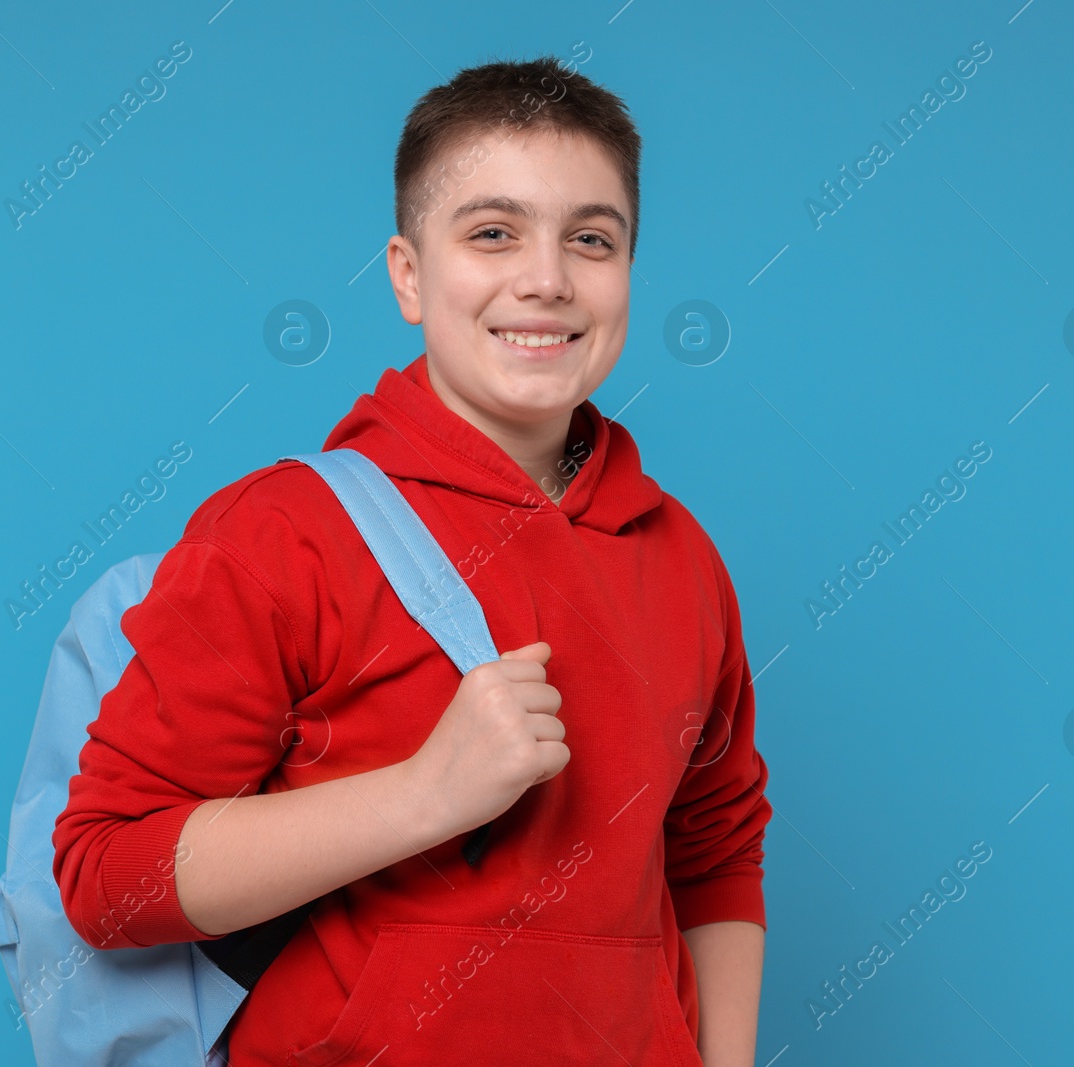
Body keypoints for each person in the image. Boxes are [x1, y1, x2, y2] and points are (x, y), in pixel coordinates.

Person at [52, 53, 770, 1066]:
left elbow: (715, 851)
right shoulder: (281, 532)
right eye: (491, 232)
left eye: (592, 240)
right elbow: (104, 876)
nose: (545, 278)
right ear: (406, 274)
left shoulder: (681, 555)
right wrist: (426, 793)